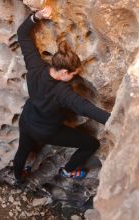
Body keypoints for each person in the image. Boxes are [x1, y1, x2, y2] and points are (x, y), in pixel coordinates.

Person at [13, 6, 110, 186]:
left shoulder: (35, 68)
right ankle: (68, 170)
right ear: (64, 71)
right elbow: (86, 108)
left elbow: (23, 35)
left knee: (21, 151)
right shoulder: (62, 93)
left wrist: (37, 16)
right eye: (73, 74)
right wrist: (117, 119)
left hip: (26, 121)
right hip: (47, 132)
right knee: (91, 144)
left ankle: (18, 178)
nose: (74, 76)